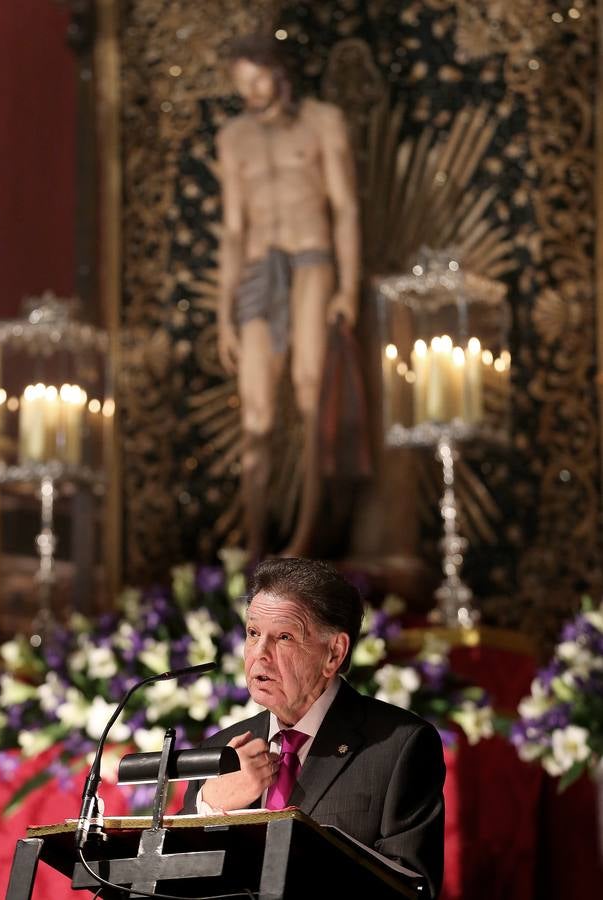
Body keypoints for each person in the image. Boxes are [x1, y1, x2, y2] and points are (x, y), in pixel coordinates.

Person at [181, 557, 445, 898]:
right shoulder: (219, 751)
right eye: (253, 633)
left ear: (334, 653)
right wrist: (211, 805)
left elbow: (413, 889)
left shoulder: (399, 746)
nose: (260, 654)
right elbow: (174, 877)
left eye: (284, 637)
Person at [216, 35, 360, 558]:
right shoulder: (233, 137)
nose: (251, 93)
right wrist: (222, 314)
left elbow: (344, 207)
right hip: (257, 267)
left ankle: (305, 539)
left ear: (278, 72)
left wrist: (348, 286)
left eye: (257, 79)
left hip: (310, 259)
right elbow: (232, 229)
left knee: (307, 392)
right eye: (241, 84)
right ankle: (256, 546)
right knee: (255, 411)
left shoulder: (323, 121)